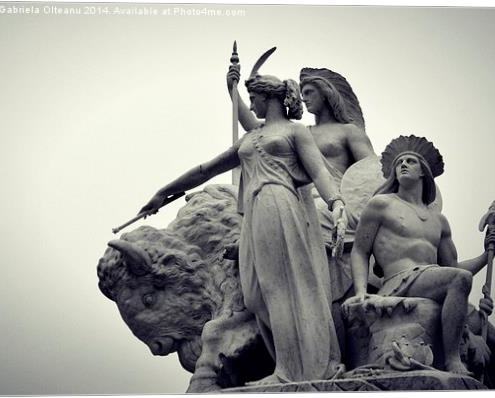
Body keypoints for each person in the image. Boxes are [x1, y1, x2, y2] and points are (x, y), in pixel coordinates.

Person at [140, 67, 345, 383]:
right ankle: (288, 363)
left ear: (268, 97)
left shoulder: (294, 132)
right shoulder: (252, 138)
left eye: (253, 99)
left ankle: (288, 372)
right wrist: (162, 192)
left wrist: (337, 203)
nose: (251, 107)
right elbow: (205, 169)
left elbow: (319, 172)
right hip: (255, 213)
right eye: (248, 100)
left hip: (280, 203)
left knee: (280, 287)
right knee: (258, 294)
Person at [227, 65, 376, 356]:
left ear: (327, 94)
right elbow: (255, 128)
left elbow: (371, 173)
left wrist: (342, 204)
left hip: (336, 199)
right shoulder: (296, 131)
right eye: (303, 93)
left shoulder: (349, 132)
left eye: (310, 92)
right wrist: (232, 90)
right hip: (300, 199)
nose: (305, 99)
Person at [343, 135, 495, 376]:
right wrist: (362, 291)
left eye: (410, 161)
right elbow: (360, 250)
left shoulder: (439, 221)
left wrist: (485, 255)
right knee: (458, 280)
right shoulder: (381, 204)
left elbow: (454, 267)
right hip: (398, 282)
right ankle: (452, 361)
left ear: (423, 173)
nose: (403, 165)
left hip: (429, 280)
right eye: (399, 163)